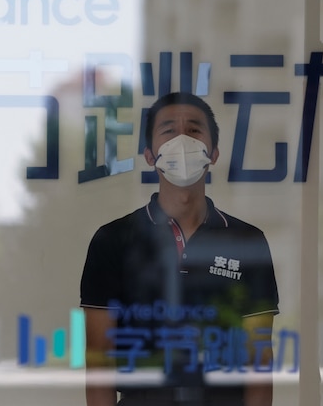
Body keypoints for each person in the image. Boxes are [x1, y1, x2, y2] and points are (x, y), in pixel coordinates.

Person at [80, 92, 279, 406]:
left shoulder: (247, 241)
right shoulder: (112, 240)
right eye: (169, 131)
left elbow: (259, 363)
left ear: (213, 153)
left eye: (195, 130)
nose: (183, 139)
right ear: (149, 154)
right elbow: (99, 362)